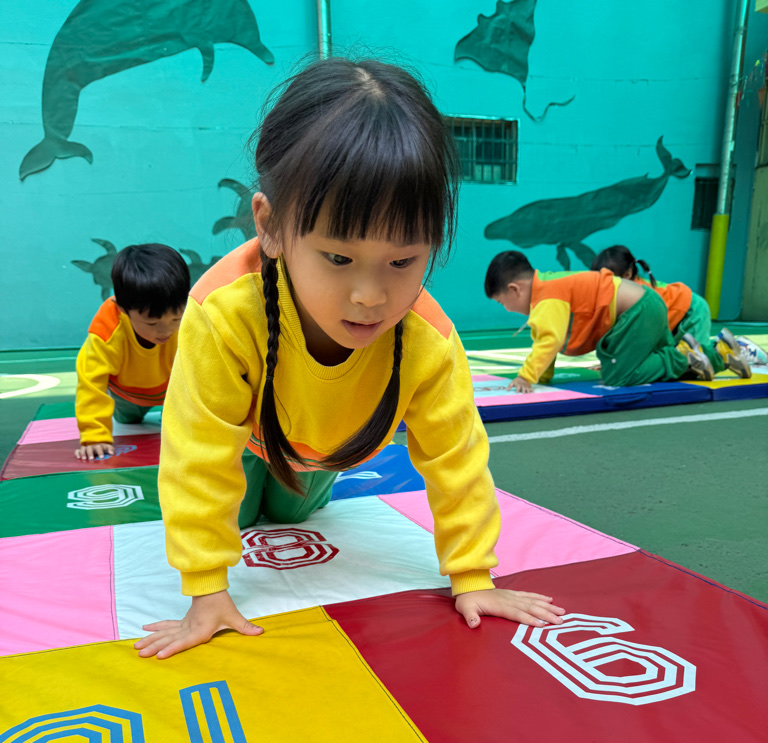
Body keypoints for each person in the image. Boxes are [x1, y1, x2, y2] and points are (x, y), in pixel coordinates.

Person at [135, 59, 566, 660]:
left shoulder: (429, 341)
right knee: (239, 511)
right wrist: (206, 588)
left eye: (402, 262)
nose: (370, 296)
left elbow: (457, 458)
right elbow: (195, 456)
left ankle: (295, 485)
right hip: (251, 440)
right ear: (270, 226)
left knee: (290, 515)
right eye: (338, 259)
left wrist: (472, 574)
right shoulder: (223, 312)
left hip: (323, 455)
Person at [485, 251, 751, 393]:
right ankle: (720, 354)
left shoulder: (545, 298)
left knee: (618, 374)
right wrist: (543, 376)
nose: (506, 309)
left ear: (515, 290)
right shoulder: (550, 284)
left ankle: (682, 355)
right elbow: (549, 341)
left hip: (639, 311)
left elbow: (550, 341)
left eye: (501, 302)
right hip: (646, 306)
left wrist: (526, 377)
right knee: (650, 364)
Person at [74, 244, 189, 460]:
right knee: (127, 420)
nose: (166, 330)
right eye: (152, 323)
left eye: (176, 319)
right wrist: (95, 436)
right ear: (123, 308)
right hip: (127, 395)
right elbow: (91, 383)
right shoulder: (107, 330)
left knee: (181, 426)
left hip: (175, 391)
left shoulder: (192, 316)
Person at [590, 244, 712, 348]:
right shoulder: (621, 292)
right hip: (671, 315)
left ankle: (719, 352)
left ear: (627, 274)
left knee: (698, 357)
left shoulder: (637, 295)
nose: (604, 286)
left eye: (609, 279)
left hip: (692, 310)